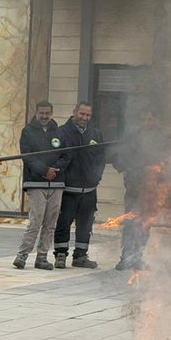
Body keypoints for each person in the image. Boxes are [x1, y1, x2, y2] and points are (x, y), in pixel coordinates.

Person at [52, 102, 105, 269]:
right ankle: (60, 255)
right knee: (64, 222)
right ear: (75, 112)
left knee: (86, 224)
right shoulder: (61, 132)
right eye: (81, 114)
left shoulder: (95, 134)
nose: (84, 118)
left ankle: (81, 256)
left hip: (89, 189)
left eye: (88, 115)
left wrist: (96, 178)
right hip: (68, 189)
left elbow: (101, 158)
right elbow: (55, 157)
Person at [13, 100, 62, 270]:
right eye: (41, 113)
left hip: (56, 183)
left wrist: (57, 169)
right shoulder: (27, 132)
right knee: (36, 219)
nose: (44, 116)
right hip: (35, 182)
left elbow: (66, 155)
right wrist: (44, 170)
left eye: (47, 113)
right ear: (36, 113)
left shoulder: (59, 132)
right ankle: (22, 255)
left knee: (50, 222)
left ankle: (42, 257)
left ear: (52, 113)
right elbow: (27, 156)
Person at [113, 110, 164, 271]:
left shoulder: (160, 139)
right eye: (146, 119)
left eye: (151, 119)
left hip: (151, 188)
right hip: (134, 186)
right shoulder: (132, 138)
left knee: (145, 224)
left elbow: (165, 161)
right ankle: (126, 257)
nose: (148, 122)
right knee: (130, 221)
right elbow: (118, 157)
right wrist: (128, 168)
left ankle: (138, 257)